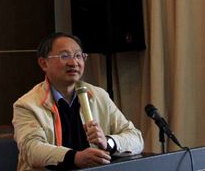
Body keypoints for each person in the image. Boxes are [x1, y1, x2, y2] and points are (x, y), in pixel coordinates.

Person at [12, 32, 143, 170]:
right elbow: (32, 150)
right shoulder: (27, 105)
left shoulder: (99, 96)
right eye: (64, 56)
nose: (73, 63)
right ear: (44, 63)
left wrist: (108, 142)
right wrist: (75, 158)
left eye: (78, 56)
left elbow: (136, 138)